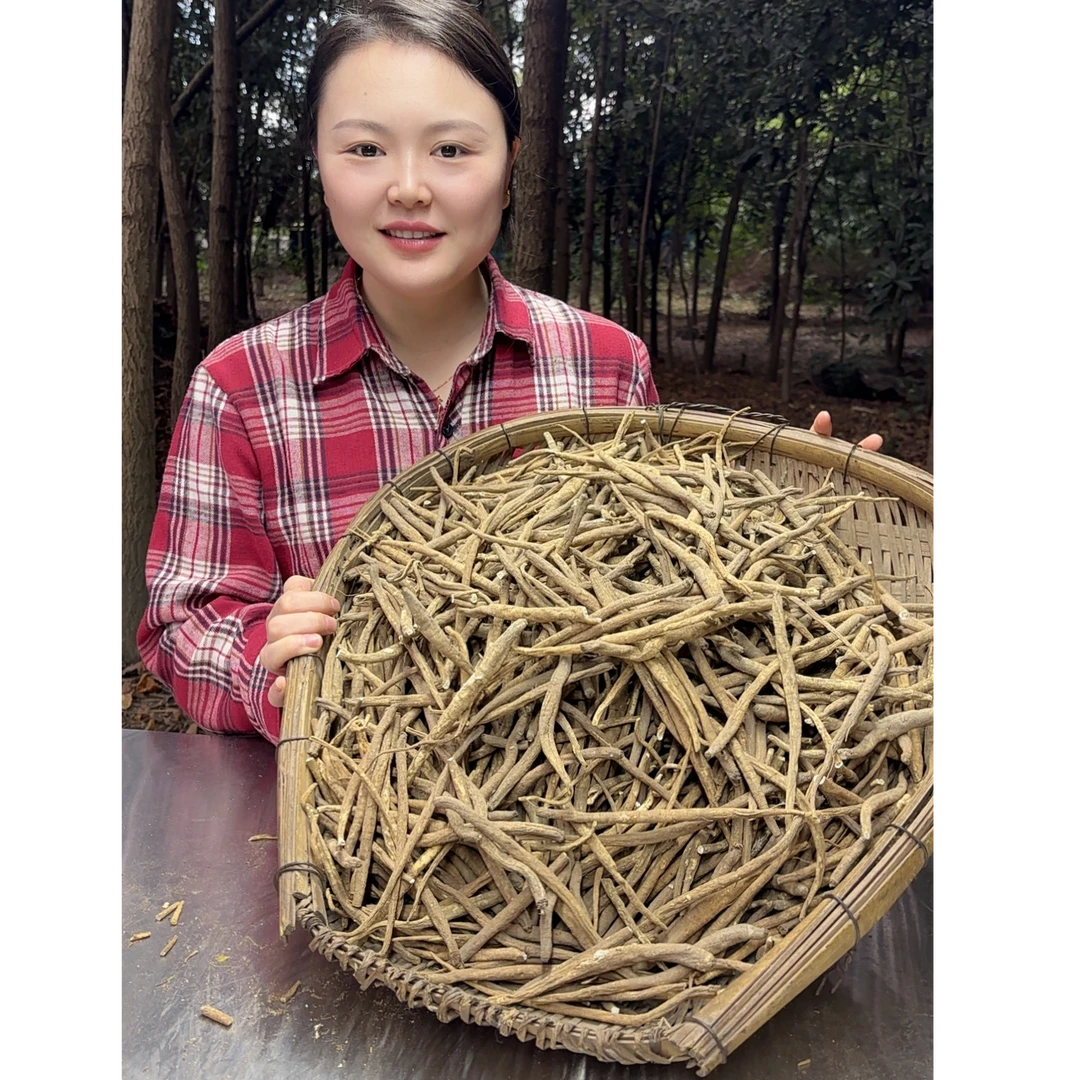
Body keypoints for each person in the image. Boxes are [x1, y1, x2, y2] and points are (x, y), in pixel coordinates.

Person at [138, 0, 881, 745]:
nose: (408, 187)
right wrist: (263, 659)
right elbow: (180, 628)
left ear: (511, 162)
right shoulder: (241, 387)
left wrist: (793, 530)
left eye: (452, 151)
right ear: (318, 161)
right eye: (364, 149)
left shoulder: (606, 367)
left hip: (577, 821)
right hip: (338, 827)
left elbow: (669, 587)